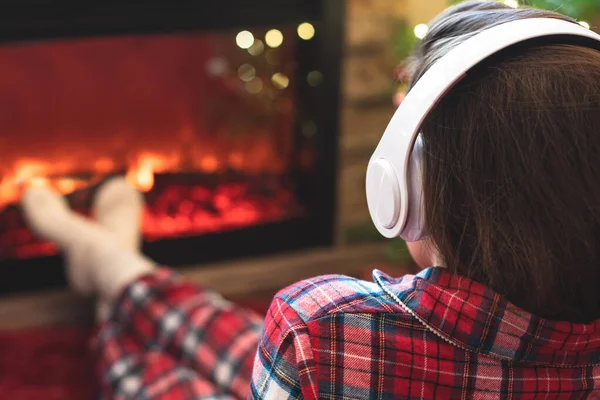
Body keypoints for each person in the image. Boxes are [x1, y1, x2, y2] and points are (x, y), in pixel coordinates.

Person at [19, 1, 600, 398]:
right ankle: (114, 263)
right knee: (240, 336)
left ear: (408, 185)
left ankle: (106, 269)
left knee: (151, 374)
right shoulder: (330, 333)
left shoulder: (321, 326)